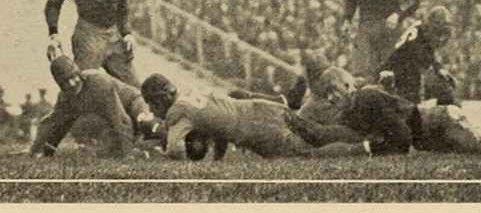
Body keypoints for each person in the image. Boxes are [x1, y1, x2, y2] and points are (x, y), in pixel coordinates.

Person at [140, 73, 371, 160]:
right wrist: (217, 161)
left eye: (151, 104)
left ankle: (368, 147)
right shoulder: (189, 90)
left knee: (306, 154)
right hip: (260, 107)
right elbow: (218, 124)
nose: (152, 110)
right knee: (316, 133)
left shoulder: (176, 112)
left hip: (257, 129)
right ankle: (363, 135)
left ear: (159, 99)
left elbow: (175, 149)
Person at [282, 66, 481, 155]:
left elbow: (403, 139)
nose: (330, 99)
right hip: (429, 135)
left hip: (443, 121)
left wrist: (374, 146)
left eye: (332, 91)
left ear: (346, 86)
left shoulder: (367, 97)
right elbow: (341, 136)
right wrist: (313, 133)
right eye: (326, 95)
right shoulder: (353, 108)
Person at [28, 57, 154, 158]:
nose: (72, 83)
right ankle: (134, 148)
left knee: (144, 120)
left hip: (132, 105)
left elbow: (121, 119)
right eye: (65, 82)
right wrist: (36, 150)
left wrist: (128, 156)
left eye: (73, 76)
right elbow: (54, 122)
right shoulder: (65, 97)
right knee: (101, 146)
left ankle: (155, 143)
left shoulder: (98, 83)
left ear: (78, 72)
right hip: (112, 117)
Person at [379, 6, 458, 104]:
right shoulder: (416, 42)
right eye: (438, 32)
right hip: (398, 71)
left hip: (403, 67)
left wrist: (439, 68)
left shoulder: (421, 30)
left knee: (446, 91)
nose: (440, 37)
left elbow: (429, 50)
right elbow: (413, 56)